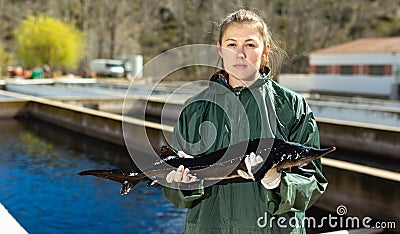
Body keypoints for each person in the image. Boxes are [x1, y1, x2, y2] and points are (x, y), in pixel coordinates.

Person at [162, 9, 327, 233]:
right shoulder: (195, 108)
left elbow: (313, 183)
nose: (240, 54)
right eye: (232, 45)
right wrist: (184, 183)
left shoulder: (292, 106)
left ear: (265, 50)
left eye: (250, 45)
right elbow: (175, 195)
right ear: (220, 49)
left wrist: (276, 181)